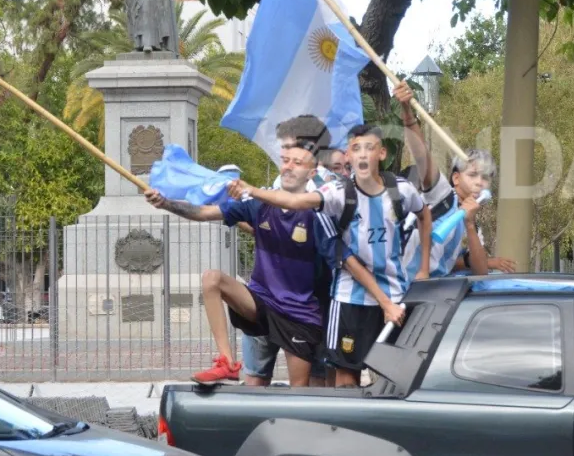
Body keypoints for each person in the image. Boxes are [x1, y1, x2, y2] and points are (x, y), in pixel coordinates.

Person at [225, 124, 432, 387]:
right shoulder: (336, 193)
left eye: (369, 148)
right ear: (348, 155)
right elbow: (295, 202)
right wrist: (251, 191)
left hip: (395, 294)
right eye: (356, 148)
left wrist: (423, 268)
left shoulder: (401, 190)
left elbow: (425, 214)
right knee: (346, 381)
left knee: (400, 380)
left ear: (381, 153)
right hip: (349, 298)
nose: (362, 155)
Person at [144, 134, 336, 387]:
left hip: (298, 313)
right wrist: (166, 204)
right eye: (285, 160)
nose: (288, 166)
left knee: (300, 394)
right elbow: (203, 212)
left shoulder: (319, 213)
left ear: (312, 173)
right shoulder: (258, 205)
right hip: (261, 299)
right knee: (212, 278)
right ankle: (226, 362)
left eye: (297, 163)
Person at [243, 115, 339, 387]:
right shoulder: (278, 181)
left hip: (309, 303)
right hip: (265, 292)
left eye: (287, 145)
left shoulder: (327, 189)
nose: (283, 154)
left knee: (312, 383)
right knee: (256, 376)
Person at [391, 82, 515, 278]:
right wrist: (407, 112)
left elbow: (480, 271)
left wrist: (470, 225)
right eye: (473, 175)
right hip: (402, 285)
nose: (479, 182)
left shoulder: (472, 220)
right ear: (456, 178)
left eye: (485, 178)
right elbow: (422, 156)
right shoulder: (442, 194)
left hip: (432, 295)